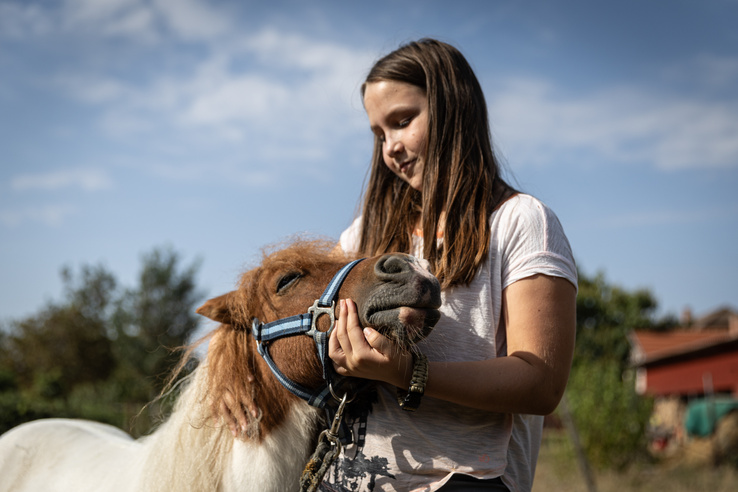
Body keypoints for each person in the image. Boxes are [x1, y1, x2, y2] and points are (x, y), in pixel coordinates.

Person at [322, 38, 578, 492]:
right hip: (354, 478)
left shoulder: (521, 222)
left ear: (453, 108)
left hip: (464, 479)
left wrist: (408, 374)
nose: (390, 149)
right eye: (379, 134)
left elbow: (540, 383)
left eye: (402, 122)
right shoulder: (362, 235)